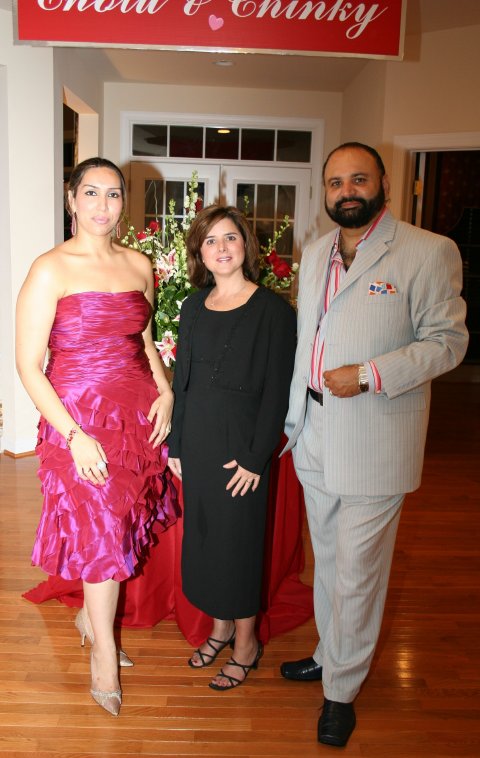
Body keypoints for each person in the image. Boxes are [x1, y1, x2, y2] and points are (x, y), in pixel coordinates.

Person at [280, 142, 469, 747]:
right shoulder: (316, 252)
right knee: (328, 562)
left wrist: (368, 374)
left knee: (359, 572)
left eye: (358, 179)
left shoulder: (428, 251)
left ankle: (341, 691)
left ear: (383, 182)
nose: (347, 192)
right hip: (314, 433)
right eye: (336, 183)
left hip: (375, 437)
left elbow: (448, 343)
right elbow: (308, 338)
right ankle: (328, 653)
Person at [16, 157, 178, 716]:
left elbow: (144, 340)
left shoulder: (138, 264)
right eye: (91, 192)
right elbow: (28, 365)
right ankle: (104, 655)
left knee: (122, 521)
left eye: (112, 194)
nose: (102, 205)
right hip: (77, 419)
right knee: (101, 528)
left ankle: (91, 618)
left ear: (122, 203)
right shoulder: (49, 269)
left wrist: (166, 392)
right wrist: (73, 435)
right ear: (71, 199)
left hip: (136, 417)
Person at [167, 205, 296, 691]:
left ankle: (246, 644)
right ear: (199, 253)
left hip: (241, 449)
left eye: (229, 238)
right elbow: (182, 383)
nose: (221, 248)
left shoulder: (274, 312)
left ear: (246, 244)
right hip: (197, 444)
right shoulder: (192, 307)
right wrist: (176, 444)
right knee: (205, 543)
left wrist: (256, 457)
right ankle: (219, 629)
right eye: (210, 241)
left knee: (238, 547)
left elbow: (277, 393)